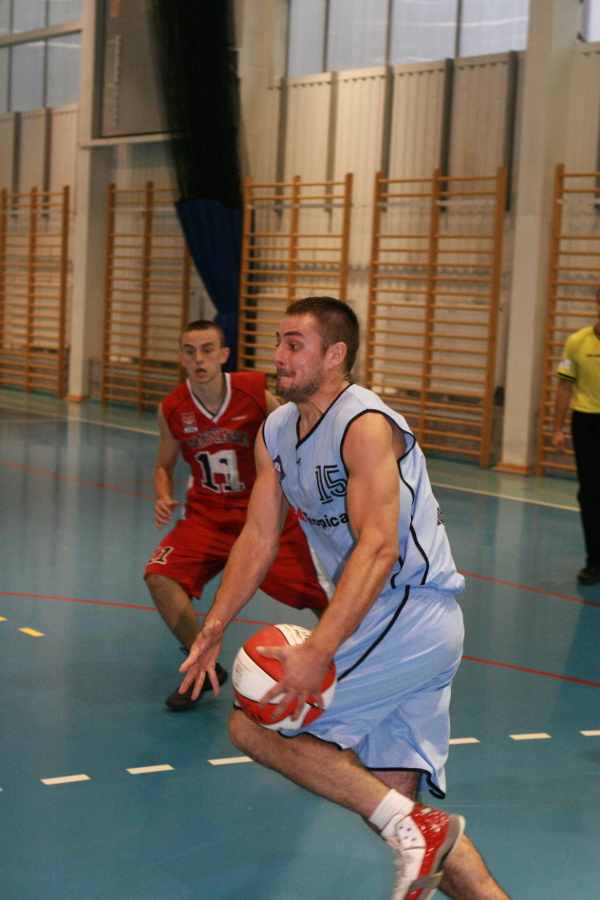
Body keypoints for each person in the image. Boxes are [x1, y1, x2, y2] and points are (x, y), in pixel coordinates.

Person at [179, 298, 510, 899]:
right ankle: (435, 845)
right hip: (389, 620)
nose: (278, 356)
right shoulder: (276, 432)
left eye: (294, 345)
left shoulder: (365, 425)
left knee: (254, 725)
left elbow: (379, 548)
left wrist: (320, 647)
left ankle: (420, 832)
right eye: (278, 342)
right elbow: (259, 536)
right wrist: (215, 622)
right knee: (397, 811)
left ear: (335, 355)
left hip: (408, 610)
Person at [144, 319, 329, 711]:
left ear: (224, 355)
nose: (199, 358)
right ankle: (201, 662)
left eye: (207, 349)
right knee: (160, 576)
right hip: (207, 515)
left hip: (265, 514)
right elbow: (163, 465)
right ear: (181, 357)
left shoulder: (253, 392)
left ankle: (357, 663)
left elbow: (296, 428)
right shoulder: (172, 408)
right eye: (190, 351)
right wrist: (163, 494)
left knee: (323, 597)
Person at [552, 287, 600, 586]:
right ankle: (594, 561)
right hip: (587, 423)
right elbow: (564, 387)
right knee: (590, 492)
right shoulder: (577, 341)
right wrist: (557, 428)